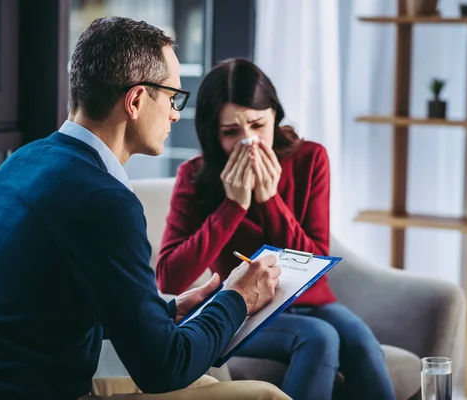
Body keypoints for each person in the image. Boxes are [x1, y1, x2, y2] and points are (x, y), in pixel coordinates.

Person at [0, 18, 291, 400]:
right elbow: (165, 368)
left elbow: (40, 313)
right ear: (136, 100)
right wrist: (239, 297)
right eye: (172, 97)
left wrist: (167, 312)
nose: (175, 113)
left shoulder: (23, 162)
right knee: (262, 396)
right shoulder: (104, 201)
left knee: (207, 384)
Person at [156, 58, 396, 400]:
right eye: (231, 132)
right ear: (212, 133)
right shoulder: (194, 176)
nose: (249, 142)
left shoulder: (310, 159)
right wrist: (233, 206)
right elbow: (170, 278)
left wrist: (269, 199)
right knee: (319, 337)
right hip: (241, 309)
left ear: (275, 115)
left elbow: (316, 259)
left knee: (361, 342)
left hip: (310, 302)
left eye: (257, 125)